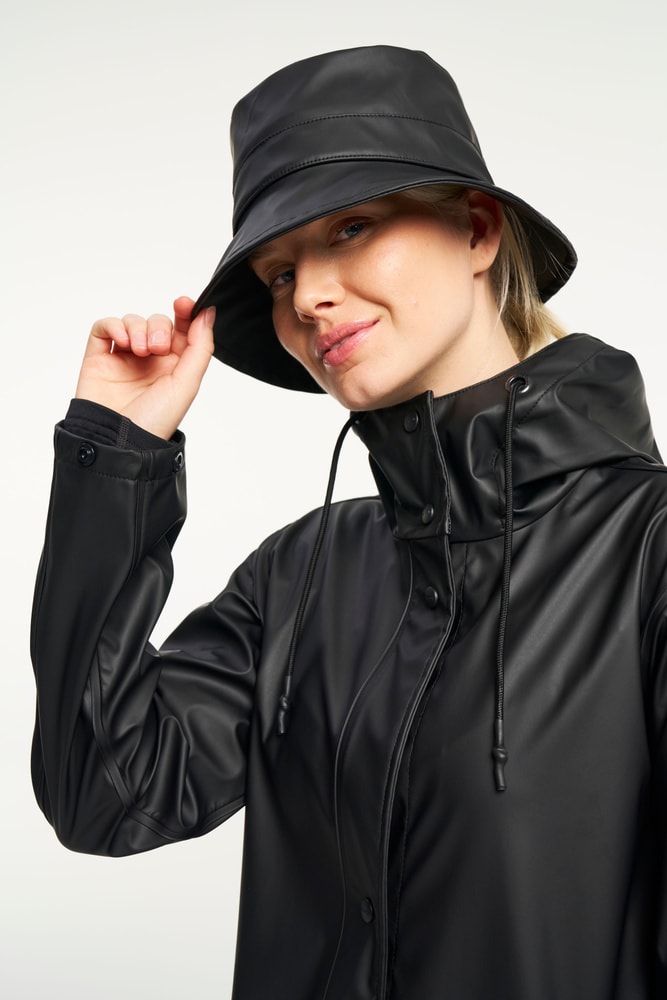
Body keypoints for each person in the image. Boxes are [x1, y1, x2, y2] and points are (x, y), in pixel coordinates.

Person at [30, 45, 667, 1000]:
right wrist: (115, 456)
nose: (307, 297)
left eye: (353, 227)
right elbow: (103, 796)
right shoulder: (300, 574)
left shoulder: (646, 551)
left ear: (477, 230)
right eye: (277, 274)